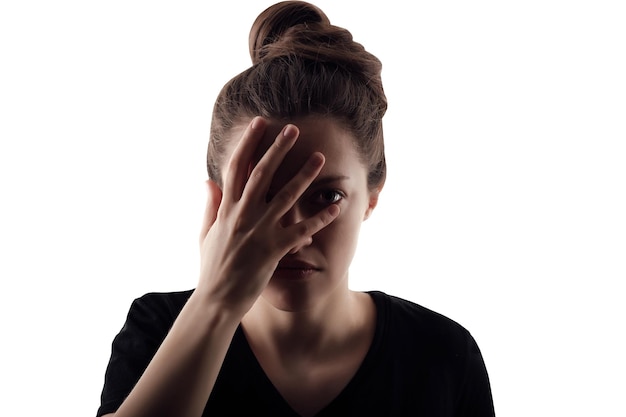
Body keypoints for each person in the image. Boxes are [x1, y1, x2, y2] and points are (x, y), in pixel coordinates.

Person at [96, 1, 495, 416]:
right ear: (219, 203)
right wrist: (215, 303)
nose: (293, 232)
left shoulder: (442, 355)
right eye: (263, 193)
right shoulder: (157, 328)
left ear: (372, 196)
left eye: (326, 196)